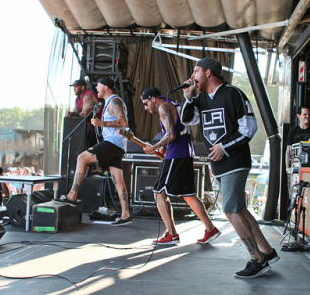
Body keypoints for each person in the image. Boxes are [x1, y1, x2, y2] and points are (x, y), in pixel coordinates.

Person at [181, 57, 278, 279]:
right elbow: (188, 121)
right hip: (220, 165)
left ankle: (256, 259)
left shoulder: (233, 94)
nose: (192, 76)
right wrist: (188, 98)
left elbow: (249, 128)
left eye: (195, 71)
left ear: (207, 73)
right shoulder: (201, 98)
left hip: (235, 161)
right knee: (240, 209)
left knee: (231, 210)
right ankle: (267, 251)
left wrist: (224, 147)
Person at [140, 86, 220, 245]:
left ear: (153, 99)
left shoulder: (163, 107)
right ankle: (210, 229)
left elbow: (171, 134)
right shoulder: (173, 104)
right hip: (186, 153)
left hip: (176, 155)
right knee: (188, 194)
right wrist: (163, 146)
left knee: (158, 192)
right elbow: (176, 131)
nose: (145, 108)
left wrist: (153, 147)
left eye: (146, 104)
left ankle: (172, 234)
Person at [56, 77, 132, 226]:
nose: (96, 88)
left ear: (106, 88)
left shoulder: (115, 101)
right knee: (118, 180)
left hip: (112, 143)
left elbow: (124, 123)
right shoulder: (108, 102)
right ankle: (125, 214)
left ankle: (72, 195)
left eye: (99, 85)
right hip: (117, 145)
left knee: (82, 158)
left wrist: (100, 123)